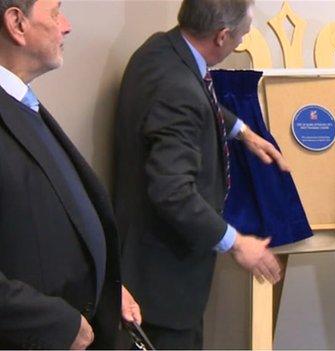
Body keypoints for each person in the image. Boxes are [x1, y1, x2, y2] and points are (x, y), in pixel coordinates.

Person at [113, 0, 289, 348]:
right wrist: (237, 244)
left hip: (144, 265)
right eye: (243, 31)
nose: (245, 37)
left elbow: (193, 99)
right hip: (163, 287)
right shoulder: (178, 89)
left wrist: (241, 130)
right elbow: (172, 192)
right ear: (222, 36)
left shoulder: (161, 50)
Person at [0, 0, 141, 349]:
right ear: (17, 23)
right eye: (55, 12)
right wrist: (55, 323)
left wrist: (102, 284)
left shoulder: (21, 101)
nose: (66, 25)